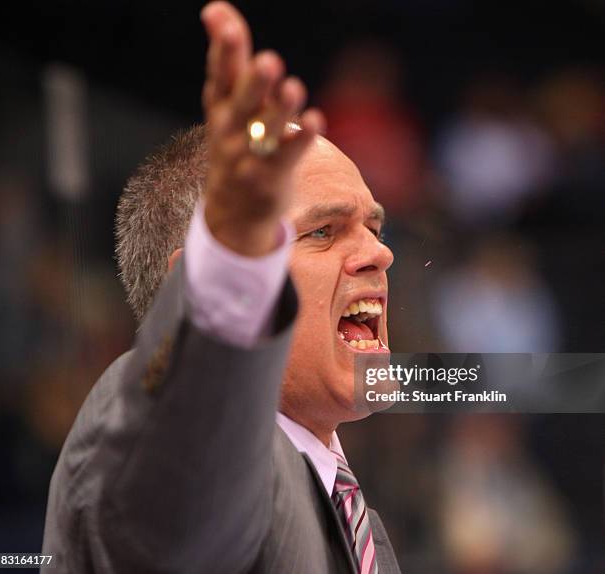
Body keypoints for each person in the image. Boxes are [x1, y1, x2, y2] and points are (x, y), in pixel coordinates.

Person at [42, 2, 401, 573]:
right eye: (323, 231)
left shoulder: (356, 519)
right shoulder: (154, 434)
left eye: (374, 228)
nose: (379, 253)